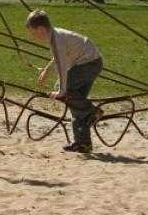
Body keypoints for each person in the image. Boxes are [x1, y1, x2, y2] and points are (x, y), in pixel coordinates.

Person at [25, 9, 103, 154]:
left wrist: (62, 90)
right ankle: (83, 143)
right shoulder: (55, 36)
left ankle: (93, 111)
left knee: (66, 92)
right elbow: (58, 57)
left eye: (33, 32)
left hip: (90, 63)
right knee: (75, 101)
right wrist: (47, 70)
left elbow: (61, 66)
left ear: (41, 29)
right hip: (90, 63)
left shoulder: (56, 38)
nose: (33, 36)